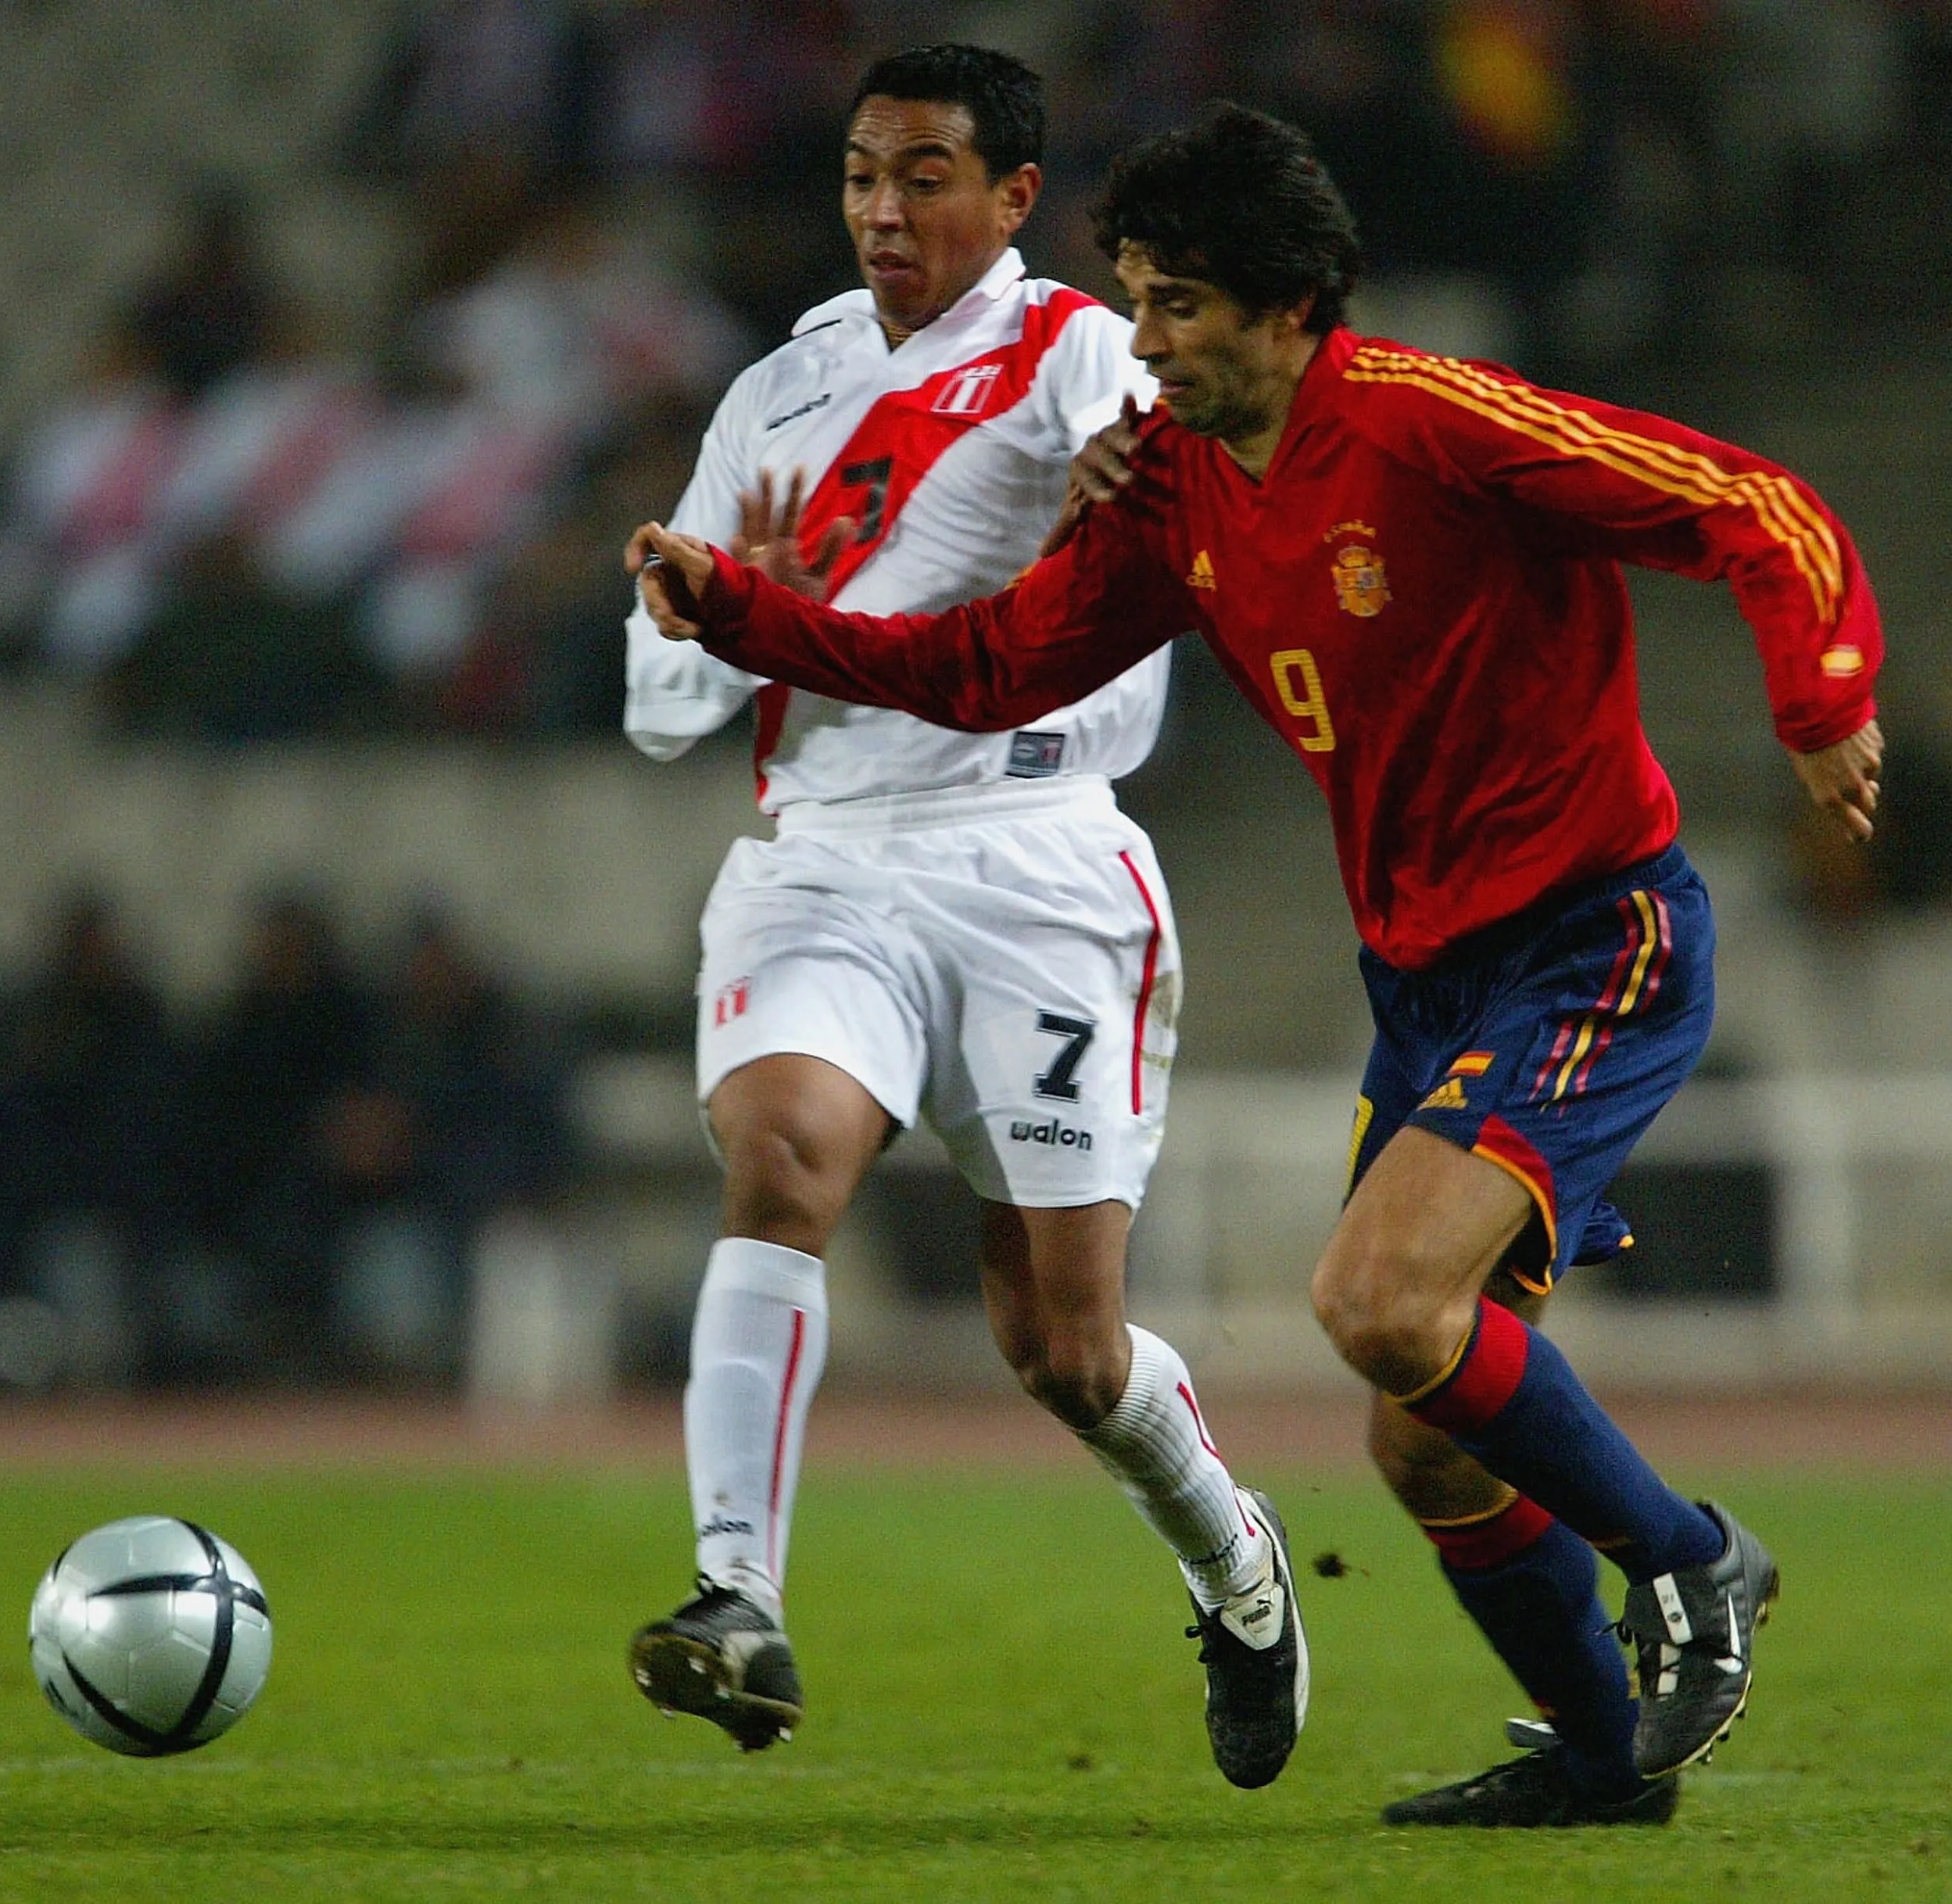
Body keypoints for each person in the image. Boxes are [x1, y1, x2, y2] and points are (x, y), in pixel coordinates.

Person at [629, 102, 1886, 1826]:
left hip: (1597, 933)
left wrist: (1820, 703)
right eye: (1135, 300)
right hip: (1429, 974)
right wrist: (751, 619)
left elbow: (1748, 502)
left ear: (1294, 307)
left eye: (1182, 309)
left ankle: (1689, 1563)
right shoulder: (1179, 486)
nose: (1145, 345)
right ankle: (1604, 1764)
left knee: (1377, 1303)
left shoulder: (1435, 423)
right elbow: (997, 663)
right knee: (1420, 1426)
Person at [621, 48, 1305, 1788]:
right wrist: (716, 610)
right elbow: (658, 699)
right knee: (780, 1155)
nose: (882, 208)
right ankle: (734, 1596)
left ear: (1012, 198)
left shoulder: (1087, 347)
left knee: (1066, 1348)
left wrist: (1113, 497)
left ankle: (1234, 1555)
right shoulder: (777, 392)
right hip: (827, 851)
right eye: (862, 173)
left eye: (924, 175)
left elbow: (1173, 491)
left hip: (1039, 864)